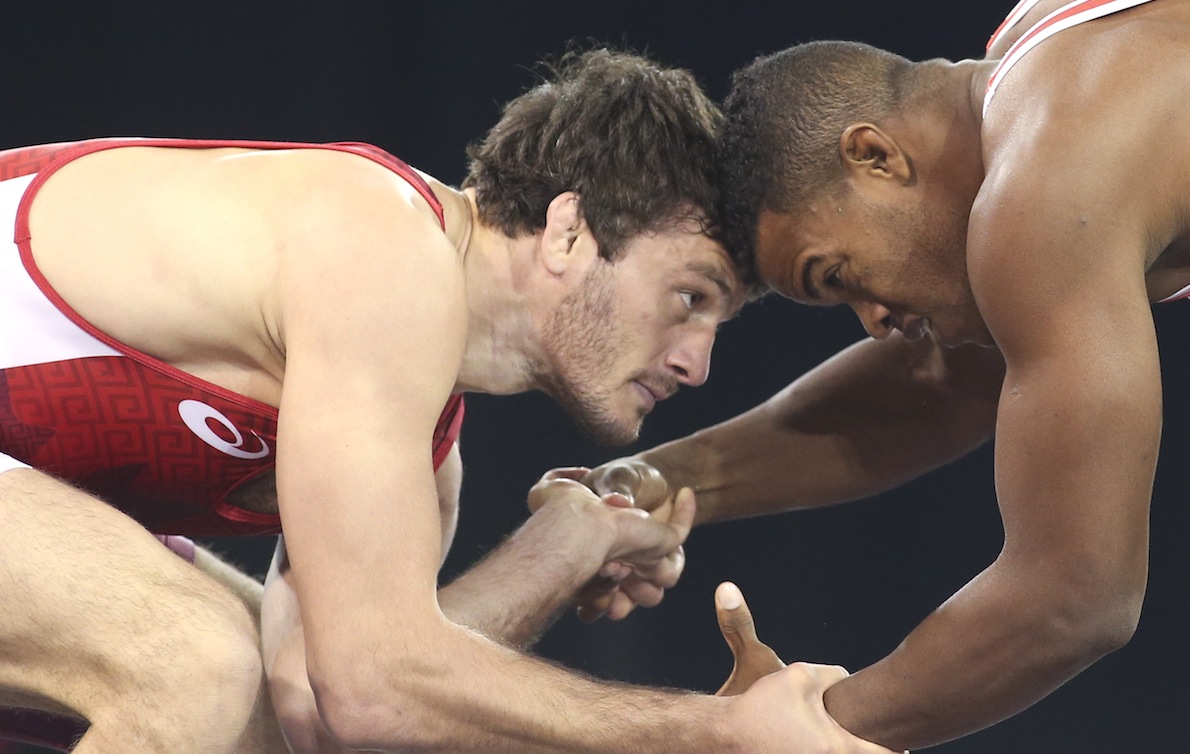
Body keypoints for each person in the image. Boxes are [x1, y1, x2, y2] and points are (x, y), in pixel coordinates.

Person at [0, 49, 893, 753]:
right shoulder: (378, 242)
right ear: (569, 230)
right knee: (189, 663)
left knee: (245, 720)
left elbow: (325, 705)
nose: (698, 363)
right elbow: (375, 682)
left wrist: (565, 544)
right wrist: (719, 733)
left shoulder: (419, 432)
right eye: (691, 297)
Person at [575, 0, 1190, 749]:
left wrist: (801, 727)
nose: (873, 319)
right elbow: (937, 388)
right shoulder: (1032, 70)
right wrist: (645, 483)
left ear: (875, 156)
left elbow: (1075, 596)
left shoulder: (1046, 184)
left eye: (839, 276)